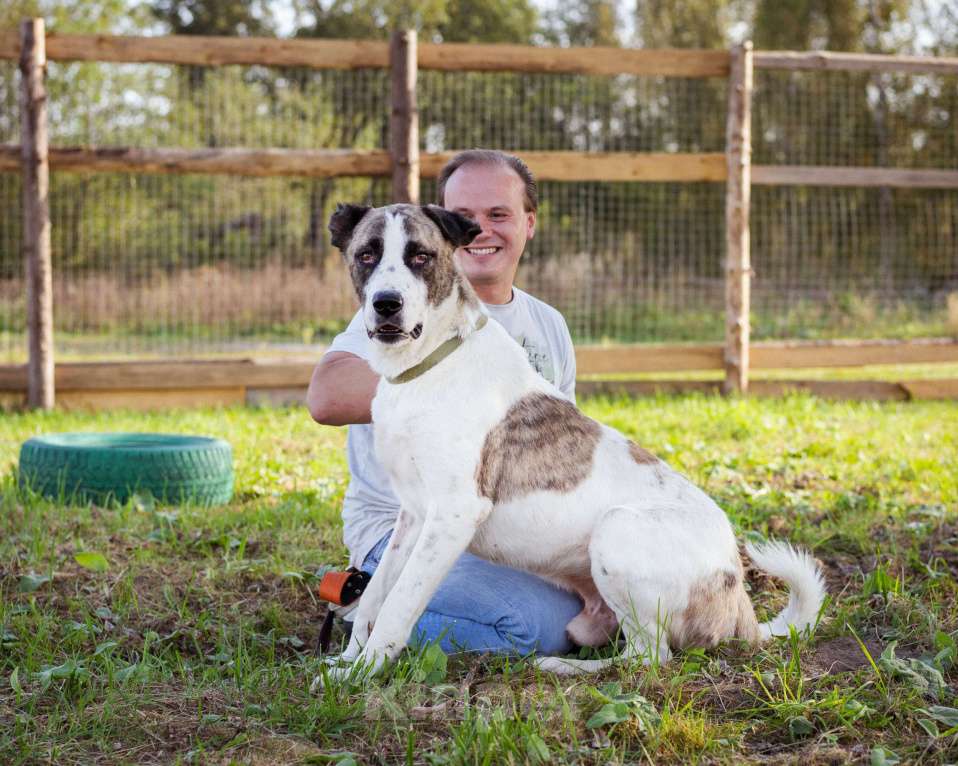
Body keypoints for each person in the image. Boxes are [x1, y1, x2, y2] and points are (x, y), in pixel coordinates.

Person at [307, 149, 583, 656]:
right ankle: (367, 603)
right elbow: (325, 397)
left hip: (500, 530)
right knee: (533, 629)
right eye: (465, 216)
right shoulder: (401, 308)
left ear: (529, 222)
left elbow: (556, 458)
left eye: (497, 214)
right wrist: (470, 388)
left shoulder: (548, 324)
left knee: (603, 598)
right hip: (400, 530)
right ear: (441, 227)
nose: (479, 229)